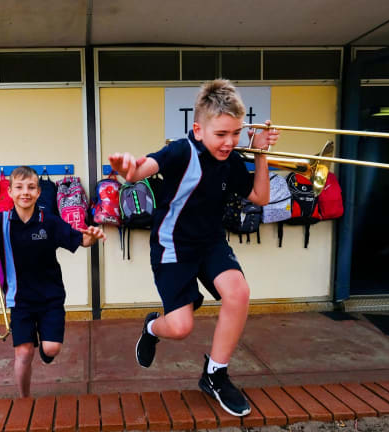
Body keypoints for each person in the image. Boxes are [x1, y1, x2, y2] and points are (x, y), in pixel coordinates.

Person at [109, 79, 278, 416]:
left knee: (238, 293)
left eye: (235, 133)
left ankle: (215, 374)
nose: (229, 142)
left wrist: (260, 154)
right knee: (181, 327)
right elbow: (144, 168)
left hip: (211, 241)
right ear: (198, 129)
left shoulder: (231, 158)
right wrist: (129, 170)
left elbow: (260, 197)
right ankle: (151, 327)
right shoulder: (181, 151)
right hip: (173, 246)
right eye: (221, 134)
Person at [0, 166, 105, 397]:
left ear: (38, 193)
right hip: (20, 300)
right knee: (24, 353)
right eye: (19, 187)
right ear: (10, 192)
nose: (25, 192)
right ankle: (24, 399)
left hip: (51, 298)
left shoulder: (51, 222)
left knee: (51, 348)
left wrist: (93, 237)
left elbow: (82, 240)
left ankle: (47, 349)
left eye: (31, 187)